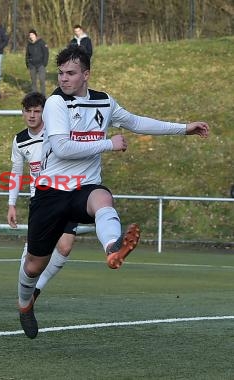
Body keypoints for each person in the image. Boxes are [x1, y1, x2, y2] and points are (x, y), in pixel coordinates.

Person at [17, 45, 209, 339]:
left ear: (86, 75)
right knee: (33, 265)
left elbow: (135, 122)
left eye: (70, 73)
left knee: (103, 199)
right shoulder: (56, 103)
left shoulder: (104, 102)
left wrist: (183, 128)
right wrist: (109, 144)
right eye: (61, 73)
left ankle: (112, 249)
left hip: (84, 187)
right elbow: (62, 148)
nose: (64, 79)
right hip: (51, 192)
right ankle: (24, 304)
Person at [7, 92, 75, 302]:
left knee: (65, 246)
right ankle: (24, 289)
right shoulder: (19, 140)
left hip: (65, 195)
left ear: (45, 113)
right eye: (28, 111)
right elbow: (16, 173)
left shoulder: (57, 133)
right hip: (40, 200)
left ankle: (35, 291)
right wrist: (11, 204)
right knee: (33, 254)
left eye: (37, 111)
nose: (32, 115)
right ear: (23, 113)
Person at [25, 30, 49, 96]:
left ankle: (43, 96)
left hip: (41, 65)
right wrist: (28, 63)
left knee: (42, 80)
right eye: (30, 35)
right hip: (32, 65)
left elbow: (46, 53)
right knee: (33, 82)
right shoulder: (29, 44)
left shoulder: (41, 42)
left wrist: (44, 63)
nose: (31, 36)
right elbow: (27, 55)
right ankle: (34, 96)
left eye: (32, 35)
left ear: (35, 35)